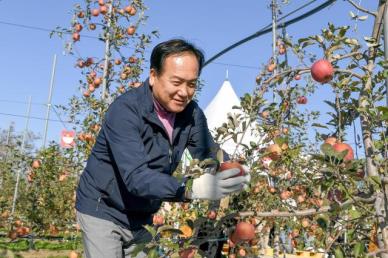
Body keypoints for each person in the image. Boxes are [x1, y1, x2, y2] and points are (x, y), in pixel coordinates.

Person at [75, 38, 250, 258]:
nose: (184, 92)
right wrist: (190, 188)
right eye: (176, 82)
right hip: (103, 208)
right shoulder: (126, 111)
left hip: (142, 214)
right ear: (153, 76)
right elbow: (136, 177)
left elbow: (208, 153)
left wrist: (231, 167)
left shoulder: (191, 115)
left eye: (192, 84)